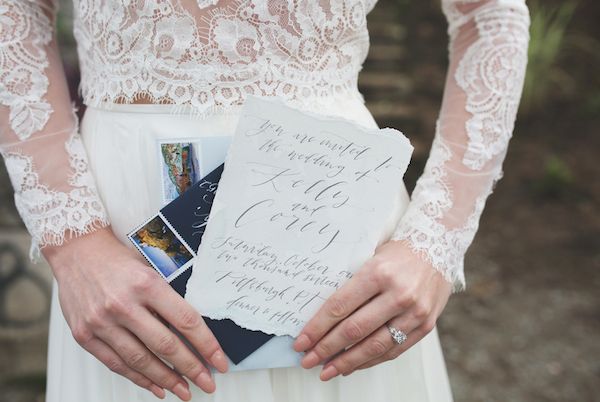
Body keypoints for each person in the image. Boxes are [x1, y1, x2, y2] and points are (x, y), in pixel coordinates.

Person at [0, 0, 530, 401]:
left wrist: (435, 244)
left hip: (334, 220)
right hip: (117, 246)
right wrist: (71, 241)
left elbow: (493, 14)